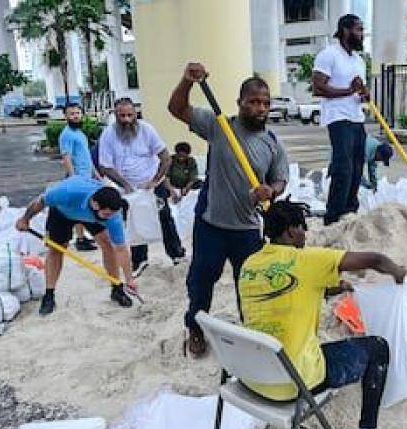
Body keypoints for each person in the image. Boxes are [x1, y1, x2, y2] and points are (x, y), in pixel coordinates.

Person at [239, 198, 407, 429]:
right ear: (289, 230)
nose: (306, 234)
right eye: (302, 228)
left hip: (254, 377)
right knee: (378, 348)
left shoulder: (250, 265)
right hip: (291, 383)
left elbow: (284, 289)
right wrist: (397, 272)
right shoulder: (306, 260)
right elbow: (375, 260)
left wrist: (329, 290)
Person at [167, 62, 289, 357]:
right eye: (254, 102)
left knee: (248, 285)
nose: (261, 108)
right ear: (240, 103)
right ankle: (196, 328)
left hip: (247, 229)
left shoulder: (272, 144)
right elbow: (177, 108)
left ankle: (250, 333)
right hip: (211, 224)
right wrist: (187, 81)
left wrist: (270, 190)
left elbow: (280, 179)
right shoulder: (220, 125)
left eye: (266, 103)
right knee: (201, 280)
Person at [14, 176, 137, 315]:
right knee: (56, 249)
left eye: (112, 214)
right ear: (95, 205)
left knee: (108, 244)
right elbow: (41, 201)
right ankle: (49, 296)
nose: (111, 217)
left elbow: (120, 249)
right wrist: (25, 219)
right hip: (63, 212)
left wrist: (129, 279)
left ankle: (117, 289)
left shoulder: (112, 215)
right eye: (108, 214)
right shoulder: (65, 193)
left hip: (92, 216)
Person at [98, 98, 186, 276]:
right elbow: (105, 166)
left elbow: (166, 158)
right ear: (115, 115)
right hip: (127, 189)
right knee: (133, 222)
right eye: (122, 116)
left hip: (151, 184)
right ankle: (140, 260)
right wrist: (125, 185)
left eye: (130, 115)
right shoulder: (108, 134)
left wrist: (155, 181)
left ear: (136, 114)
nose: (126, 119)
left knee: (164, 216)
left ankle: (176, 253)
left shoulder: (147, 130)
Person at [312, 14, 368, 225]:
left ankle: (349, 210)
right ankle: (333, 216)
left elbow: (357, 90)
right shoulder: (329, 55)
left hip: (356, 118)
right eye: (359, 29)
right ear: (345, 30)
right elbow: (318, 88)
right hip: (338, 118)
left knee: (357, 166)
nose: (362, 34)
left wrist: (363, 94)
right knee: (343, 167)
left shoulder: (359, 60)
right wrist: (348, 91)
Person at [59, 103, 101, 252]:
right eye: (72, 114)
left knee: (84, 206)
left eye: (78, 113)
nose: (76, 116)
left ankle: (83, 236)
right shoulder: (67, 134)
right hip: (77, 177)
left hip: (86, 176)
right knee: (79, 208)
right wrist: (73, 179)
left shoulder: (80, 133)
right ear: (66, 116)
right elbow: (67, 157)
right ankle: (80, 238)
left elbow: (87, 158)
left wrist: (96, 175)